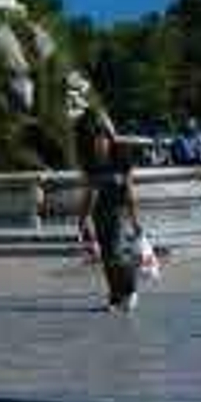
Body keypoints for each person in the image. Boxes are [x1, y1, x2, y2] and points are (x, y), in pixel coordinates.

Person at [79, 128, 141, 312]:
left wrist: (135, 219)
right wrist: (82, 219)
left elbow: (130, 192)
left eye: (102, 140)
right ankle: (114, 297)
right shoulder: (91, 165)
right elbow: (88, 194)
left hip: (118, 211)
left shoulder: (121, 161)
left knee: (116, 253)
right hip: (99, 213)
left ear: (109, 141)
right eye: (96, 141)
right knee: (106, 258)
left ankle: (130, 291)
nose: (99, 144)